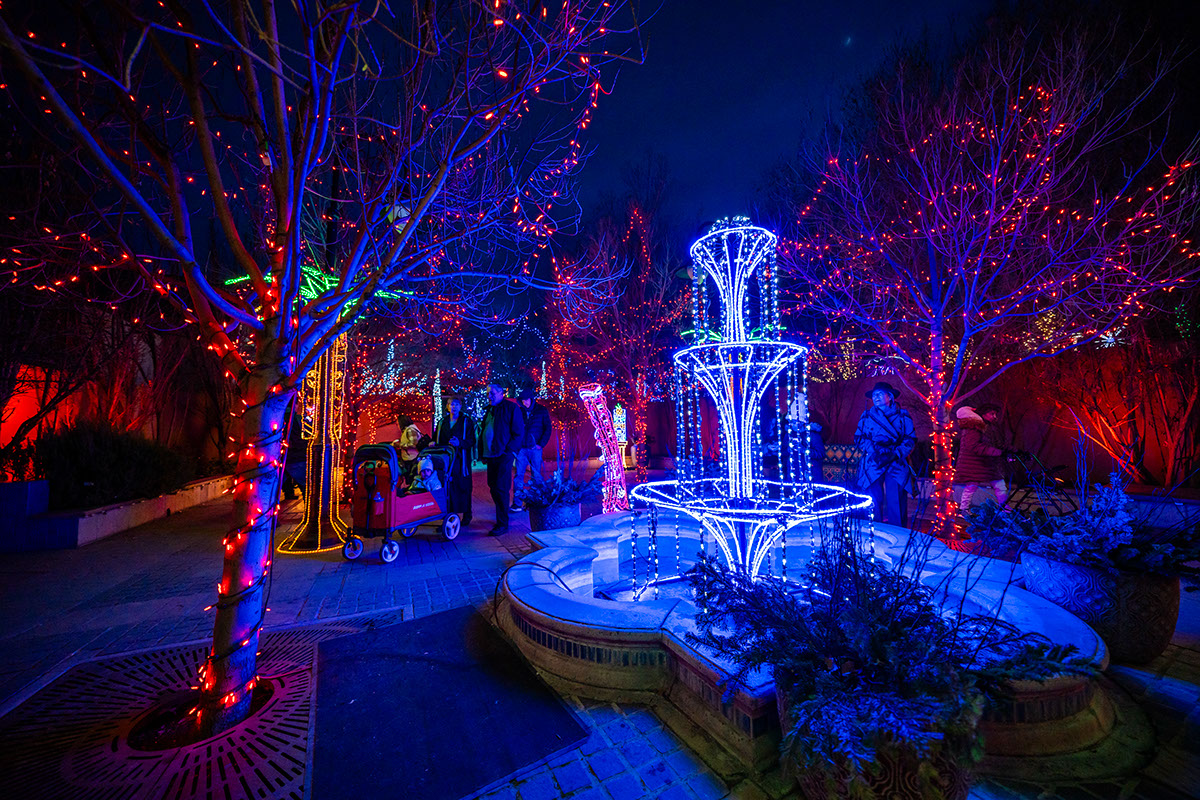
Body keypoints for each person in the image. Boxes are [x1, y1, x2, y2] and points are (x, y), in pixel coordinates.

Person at [853, 381, 916, 527]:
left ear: (890, 396)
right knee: (873, 499)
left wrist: (895, 454)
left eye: (880, 394)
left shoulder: (902, 415)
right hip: (873, 461)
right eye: (874, 395)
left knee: (896, 500)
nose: (876, 397)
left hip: (895, 461)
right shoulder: (866, 416)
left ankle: (899, 535)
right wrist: (874, 451)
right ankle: (875, 532)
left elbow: (910, 439)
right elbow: (859, 438)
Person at [478, 383, 524, 536]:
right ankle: (501, 516)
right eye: (487, 393)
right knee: (492, 486)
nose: (488, 396)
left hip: (503, 455)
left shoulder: (511, 408)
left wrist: (509, 450)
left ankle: (502, 523)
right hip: (491, 455)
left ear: (501, 393)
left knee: (501, 488)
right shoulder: (490, 409)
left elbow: (518, 432)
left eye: (491, 393)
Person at [954, 404, 1009, 514]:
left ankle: (964, 509)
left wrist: (1009, 451)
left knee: (979, 484)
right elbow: (975, 446)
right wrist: (998, 452)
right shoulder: (974, 428)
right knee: (983, 484)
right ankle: (1004, 509)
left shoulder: (983, 427)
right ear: (983, 415)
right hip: (975, 462)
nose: (994, 417)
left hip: (982, 462)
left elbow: (994, 444)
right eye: (991, 414)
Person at [435, 396, 476, 528]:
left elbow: (472, 441)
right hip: (447, 462)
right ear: (447, 406)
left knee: (463, 487)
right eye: (451, 404)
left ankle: (467, 514)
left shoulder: (467, 422)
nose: (454, 407)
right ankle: (450, 515)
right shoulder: (442, 422)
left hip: (461, 461)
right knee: (448, 487)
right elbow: (437, 440)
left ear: (461, 406)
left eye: (457, 404)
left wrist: (460, 443)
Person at [512, 388, 552, 512]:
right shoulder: (519, 411)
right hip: (522, 449)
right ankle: (517, 503)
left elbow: (547, 428)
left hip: (535, 448)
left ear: (531, 399)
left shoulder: (541, 410)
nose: (525, 403)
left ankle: (538, 500)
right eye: (522, 401)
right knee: (519, 475)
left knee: (537, 475)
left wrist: (541, 444)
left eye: (526, 400)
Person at [392, 413, 431, 484]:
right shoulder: (407, 430)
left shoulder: (410, 430)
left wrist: (400, 445)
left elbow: (413, 444)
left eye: (397, 424)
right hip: (409, 458)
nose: (397, 426)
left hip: (412, 458)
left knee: (411, 478)